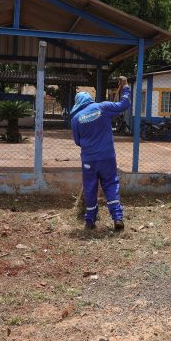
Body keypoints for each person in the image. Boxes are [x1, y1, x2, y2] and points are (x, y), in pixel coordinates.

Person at [70, 77, 131, 230]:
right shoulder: (103, 107)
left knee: (90, 187)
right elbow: (125, 104)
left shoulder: (76, 118)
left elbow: (77, 141)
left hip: (89, 159)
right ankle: (117, 217)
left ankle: (90, 220)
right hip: (107, 157)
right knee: (110, 184)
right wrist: (126, 88)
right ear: (90, 99)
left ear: (78, 103)